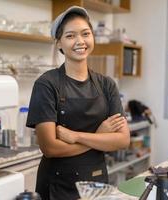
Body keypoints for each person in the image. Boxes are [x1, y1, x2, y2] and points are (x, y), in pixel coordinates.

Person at [26, 6, 130, 200]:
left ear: (93, 38)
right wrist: (99, 137)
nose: (80, 41)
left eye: (85, 34)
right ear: (59, 44)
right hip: (57, 186)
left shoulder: (106, 85)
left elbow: (122, 140)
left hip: (96, 183)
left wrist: (75, 136)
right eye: (70, 36)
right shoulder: (46, 84)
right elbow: (50, 148)